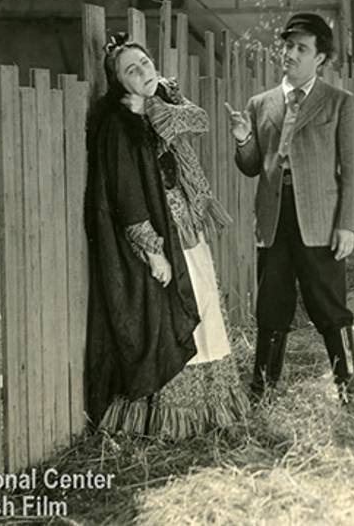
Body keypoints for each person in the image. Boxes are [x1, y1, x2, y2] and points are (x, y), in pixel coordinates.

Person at [85, 34, 247, 440]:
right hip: (157, 236)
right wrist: (154, 252)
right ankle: (172, 416)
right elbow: (126, 195)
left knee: (205, 302)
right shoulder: (117, 124)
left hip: (187, 225)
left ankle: (212, 405)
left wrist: (154, 101)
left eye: (145, 62)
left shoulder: (163, 102)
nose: (143, 71)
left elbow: (198, 120)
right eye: (131, 70)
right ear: (118, 81)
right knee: (173, 313)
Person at [224, 13, 354, 410]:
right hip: (273, 222)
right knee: (271, 307)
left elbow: (353, 170)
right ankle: (262, 395)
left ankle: (349, 390)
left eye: (302, 48)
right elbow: (253, 166)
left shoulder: (340, 103)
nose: (290, 54)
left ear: (320, 58)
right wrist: (243, 139)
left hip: (320, 222)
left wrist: (348, 226)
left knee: (330, 308)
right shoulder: (261, 104)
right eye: (288, 46)